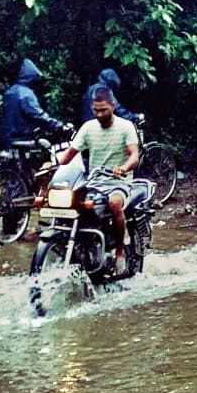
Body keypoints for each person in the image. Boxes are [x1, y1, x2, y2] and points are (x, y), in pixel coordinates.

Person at [58, 87, 140, 275]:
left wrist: (124, 168)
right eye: (96, 110)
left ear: (112, 106)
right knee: (74, 206)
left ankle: (120, 252)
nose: (99, 114)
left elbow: (134, 155)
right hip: (94, 182)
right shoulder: (88, 128)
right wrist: (53, 166)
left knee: (114, 203)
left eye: (104, 109)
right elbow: (70, 154)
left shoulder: (126, 126)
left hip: (119, 182)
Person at [0, 58, 68, 150]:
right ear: (32, 78)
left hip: (6, 140)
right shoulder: (26, 94)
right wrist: (59, 126)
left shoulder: (11, 91)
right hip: (20, 140)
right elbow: (37, 115)